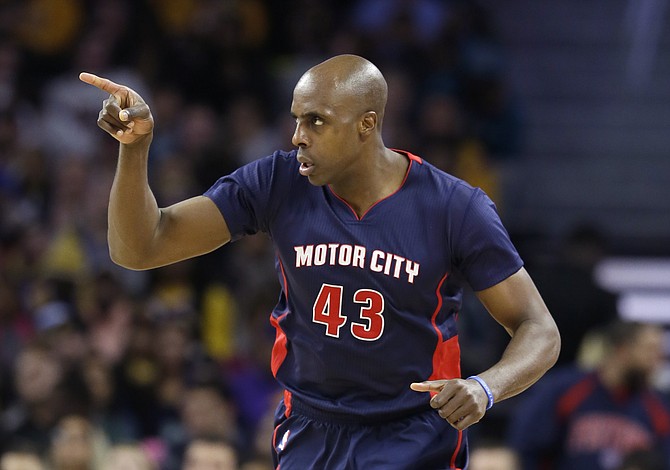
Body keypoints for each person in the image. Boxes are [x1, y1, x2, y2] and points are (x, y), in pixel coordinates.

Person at [80, 54, 560, 469]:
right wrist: (134, 149)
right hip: (310, 426)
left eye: (316, 121)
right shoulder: (279, 181)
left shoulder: (455, 207)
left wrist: (485, 386)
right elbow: (140, 248)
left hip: (412, 431)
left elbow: (538, 329)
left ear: (366, 125)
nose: (297, 137)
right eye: (295, 119)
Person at [508, 320, 670, 470]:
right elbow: (527, 446)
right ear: (623, 349)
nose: (656, 360)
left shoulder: (658, 405)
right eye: (650, 350)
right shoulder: (565, 389)